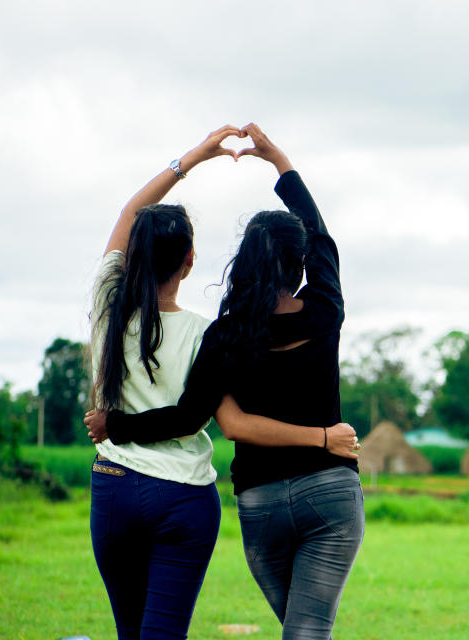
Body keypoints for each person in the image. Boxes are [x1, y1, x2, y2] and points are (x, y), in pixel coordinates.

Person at [86, 123, 364, 640]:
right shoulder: (322, 309)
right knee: (306, 630)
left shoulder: (224, 332)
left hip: (230, 497)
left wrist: (114, 425)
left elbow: (208, 417)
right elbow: (322, 236)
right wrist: (281, 162)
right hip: (294, 491)